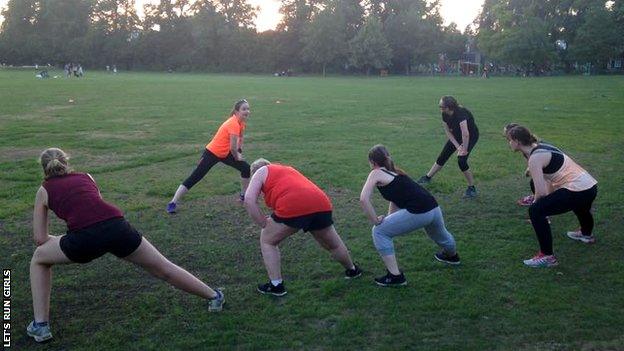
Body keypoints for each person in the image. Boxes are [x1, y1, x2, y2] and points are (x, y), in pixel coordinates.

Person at [27, 148, 224, 343]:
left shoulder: (44, 190)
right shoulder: (87, 177)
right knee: (164, 268)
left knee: (39, 258)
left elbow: (40, 238)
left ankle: (41, 326)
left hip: (84, 238)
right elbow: (96, 212)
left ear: (43, 169)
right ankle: (214, 296)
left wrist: (61, 239)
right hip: (117, 226)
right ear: (66, 162)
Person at [243, 158, 361, 296]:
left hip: (294, 205)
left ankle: (276, 285)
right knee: (333, 244)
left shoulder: (260, 171)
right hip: (321, 203)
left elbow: (249, 199)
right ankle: (352, 270)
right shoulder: (287, 169)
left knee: (267, 240)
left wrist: (263, 223)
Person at [360, 145, 460, 287]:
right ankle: (452, 256)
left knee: (379, 231)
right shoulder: (395, 173)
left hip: (420, 211)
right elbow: (395, 198)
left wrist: (376, 221)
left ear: (373, 162)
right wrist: (390, 220)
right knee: (440, 235)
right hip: (433, 207)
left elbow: (363, 199)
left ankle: (395, 277)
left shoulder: (376, 173)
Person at [506, 126, 598, 267]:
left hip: (577, 189)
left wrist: (536, 205)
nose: (509, 143)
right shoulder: (540, 147)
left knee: (535, 211)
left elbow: (540, 191)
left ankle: (547, 256)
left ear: (517, 141)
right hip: (590, 186)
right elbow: (549, 179)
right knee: (580, 206)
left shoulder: (535, 158)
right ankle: (586, 234)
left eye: (509, 140)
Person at [167, 99, 251, 213]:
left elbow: (239, 140)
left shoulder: (241, 123)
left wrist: (239, 152)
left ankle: (243, 195)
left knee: (246, 168)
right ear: (236, 111)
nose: (247, 111)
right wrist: (237, 157)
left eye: (248, 109)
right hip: (212, 152)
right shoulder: (233, 123)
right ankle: (173, 202)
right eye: (244, 109)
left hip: (226, 153)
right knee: (195, 176)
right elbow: (232, 147)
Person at [417, 96, 480, 198]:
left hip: (470, 136)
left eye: (441, 106)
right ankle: (427, 178)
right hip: (456, 135)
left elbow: (466, 134)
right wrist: (457, 146)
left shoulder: (461, 113)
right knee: (443, 155)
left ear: (449, 107)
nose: (439, 108)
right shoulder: (444, 114)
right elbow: (448, 132)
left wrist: (464, 149)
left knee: (461, 160)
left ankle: (471, 188)